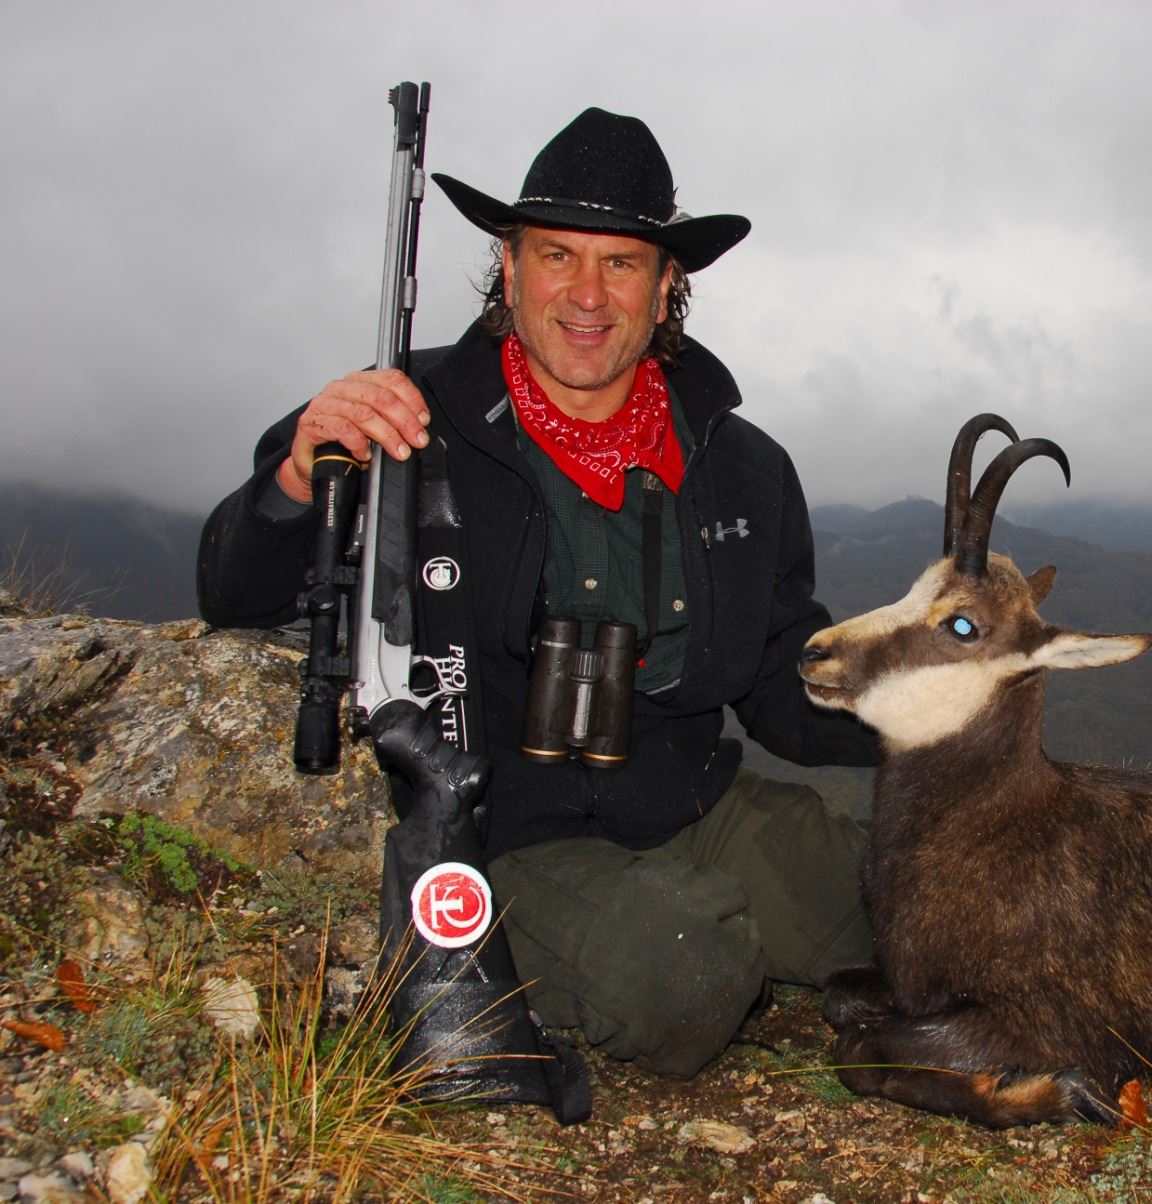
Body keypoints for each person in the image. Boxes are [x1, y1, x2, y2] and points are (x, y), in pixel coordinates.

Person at [197, 107, 880, 1077]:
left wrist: (934, 707)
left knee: (932, 906)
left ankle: (742, 925)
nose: (587, 294)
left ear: (666, 286)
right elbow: (232, 589)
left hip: (694, 802)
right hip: (503, 831)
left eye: (622, 263)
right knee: (687, 971)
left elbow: (778, 677)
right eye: (557, 255)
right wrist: (303, 473)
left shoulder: (742, 465)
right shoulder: (400, 421)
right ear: (509, 268)